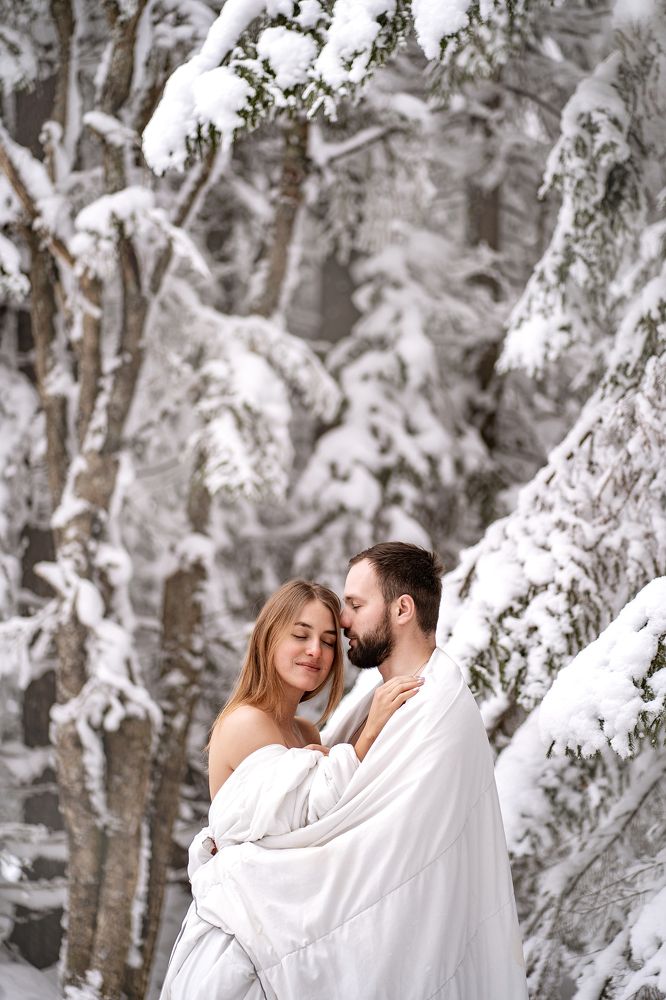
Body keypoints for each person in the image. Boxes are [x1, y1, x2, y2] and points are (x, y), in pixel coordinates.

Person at [160, 577, 423, 1000]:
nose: (315, 650)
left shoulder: (303, 731)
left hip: (289, 935)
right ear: (268, 639)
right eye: (300, 635)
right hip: (242, 946)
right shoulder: (247, 721)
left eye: (328, 641)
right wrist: (368, 733)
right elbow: (304, 817)